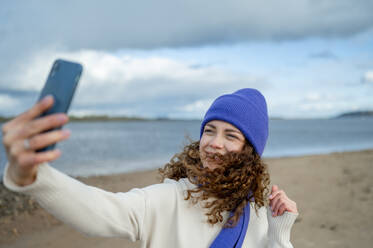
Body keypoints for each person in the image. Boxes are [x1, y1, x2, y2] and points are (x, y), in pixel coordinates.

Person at [2, 88, 298, 248]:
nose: (214, 143)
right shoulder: (172, 198)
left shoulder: (258, 211)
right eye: (209, 130)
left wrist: (279, 233)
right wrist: (35, 176)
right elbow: (104, 212)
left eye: (230, 135)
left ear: (251, 151)